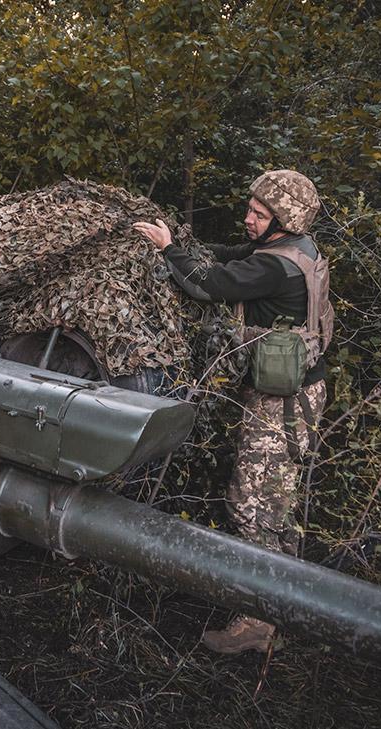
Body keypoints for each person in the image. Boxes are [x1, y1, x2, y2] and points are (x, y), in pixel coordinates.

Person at [134, 169, 330, 655]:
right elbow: (229, 256)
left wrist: (168, 250)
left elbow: (210, 285)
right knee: (279, 506)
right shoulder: (295, 248)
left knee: (253, 505)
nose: (248, 219)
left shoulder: (275, 267)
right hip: (297, 392)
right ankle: (285, 607)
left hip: (283, 403)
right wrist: (184, 242)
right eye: (250, 210)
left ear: (283, 220)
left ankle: (258, 624)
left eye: (259, 214)